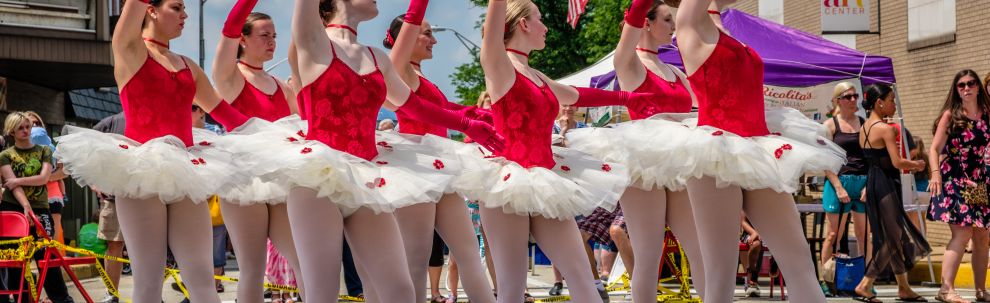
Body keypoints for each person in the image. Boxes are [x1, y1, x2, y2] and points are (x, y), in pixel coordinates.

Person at [257, 0, 502, 300]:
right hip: (317, 179)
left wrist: (467, 122)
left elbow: (412, 105)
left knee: (399, 290)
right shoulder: (312, 40)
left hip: (367, 178)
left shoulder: (375, 57)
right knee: (322, 291)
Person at [53, 0, 252, 301]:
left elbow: (222, 111)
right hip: (141, 171)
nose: (185, 15)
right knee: (148, 278)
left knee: (201, 277)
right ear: (151, 9)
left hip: (185, 171)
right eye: (176, 7)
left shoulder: (188, 66)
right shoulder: (131, 50)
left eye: (185, 8)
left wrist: (267, 132)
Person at [467, 0, 664, 301]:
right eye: (540, 19)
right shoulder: (499, 64)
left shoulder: (537, 76)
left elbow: (576, 95)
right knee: (511, 289)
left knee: (584, 280)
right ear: (523, 24)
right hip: (506, 184)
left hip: (545, 180)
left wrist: (626, 97)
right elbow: (492, 33)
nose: (546, 27)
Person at [656, 0, 846, 301]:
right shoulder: (688, 25)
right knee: (720, 275)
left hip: (757, 147)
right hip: (714, 153)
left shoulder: (716, 23)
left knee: (799, 262)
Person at [565, 0, 710, 300]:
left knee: (699, 249)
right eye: (668, 19)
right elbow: (631, 20)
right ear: (646, 23)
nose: (673, 26)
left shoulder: (676, 72)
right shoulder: (630, 63)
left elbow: (701, 110)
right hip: (644, 165)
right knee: (648, 254)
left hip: (679, 163)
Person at [384, 6, 498, 302]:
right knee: (416, 257)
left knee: (469, 253)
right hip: (416, 167)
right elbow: (427, 111)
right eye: (428, 33)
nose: (434, 40)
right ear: (407, 38)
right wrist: (470, 120)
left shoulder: (419, 74)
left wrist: (480, 115)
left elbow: (442, 110)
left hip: (440, 166)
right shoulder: (400, 70)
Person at [210, 2, 305, 301]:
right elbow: (227, 32)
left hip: (279, 181)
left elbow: (303, 125)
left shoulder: (281, 86)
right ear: (242, 39)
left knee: (303, 259)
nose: (272, 41)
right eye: (264, 35)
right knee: (252, 267)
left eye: (275, 35)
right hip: (243, 181)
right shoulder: (231, 78)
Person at [852, 83, 930, 303]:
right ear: (879, 103)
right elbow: (896, 162)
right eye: (891, 100)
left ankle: (904, 288)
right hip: (886, 184)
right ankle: (866, 283)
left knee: (897, 236)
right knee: (893, 238)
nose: (894, 104)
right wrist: (916, 165)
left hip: (873, 182)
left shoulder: (864, 128)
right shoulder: (886, 129)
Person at [927, 70, 990, 303]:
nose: (966, 88)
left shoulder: (987, 114)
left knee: (983, 236)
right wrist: (935, 175)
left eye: (971, 83)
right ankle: (946, 290)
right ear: (956, 90)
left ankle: (981, 290)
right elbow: (934, 149)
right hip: (954, 178)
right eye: (961, 85)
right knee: (962, 232)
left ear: (978, 87)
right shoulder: (951, 115)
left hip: (978, 181)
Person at [0, 112, 74, 303]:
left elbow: (43, 178)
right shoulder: (5, 155)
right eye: (21, 128)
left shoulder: (44, 151)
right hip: (14, 212)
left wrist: (18, 180)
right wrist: (25, 206)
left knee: (46, 257)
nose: (26, 131)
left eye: (28, 127)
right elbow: (11, 186)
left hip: (41, 208)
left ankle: (61, 298)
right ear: (11, 132)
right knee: (17, 259)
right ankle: (21, 299)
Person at [819, 82, 869, 296]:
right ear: (838, 100)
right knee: (833, 235)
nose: (853, 100)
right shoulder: (830, 126)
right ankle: (826, 280)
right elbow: (823, 161)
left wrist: (868, 185)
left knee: (864, 235)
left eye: (855, 96)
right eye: (848, 97)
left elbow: (872, 158)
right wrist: (838, 187)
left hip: (862, 181)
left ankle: (867, 280)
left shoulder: (865, 124)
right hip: (839, 181)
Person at [91, 112, 126, 303]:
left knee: (152, 248)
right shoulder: (110, 122)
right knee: (114, 245)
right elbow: (84, 150)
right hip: (114, 197)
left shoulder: (156, 115)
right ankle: (111, 293)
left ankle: (152, 295)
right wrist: (94, 182)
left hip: (148, 196)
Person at [24, 112, 68, 253]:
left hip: (52, 194)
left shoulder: (52, 147)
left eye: (37, 123)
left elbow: (65, 171)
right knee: (32, 231)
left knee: (53, 228)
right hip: (29, 196)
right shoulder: (17, 150)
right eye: (31, 123)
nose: (34, 126)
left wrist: (45, 177)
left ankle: (51, 262)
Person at [740, 212, 763, 298]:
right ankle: (752, 279)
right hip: (750, 233)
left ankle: (774, 266)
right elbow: (743, 221)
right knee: (756, 244)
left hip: (768, 232)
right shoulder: (747, 201)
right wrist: (754, 233)